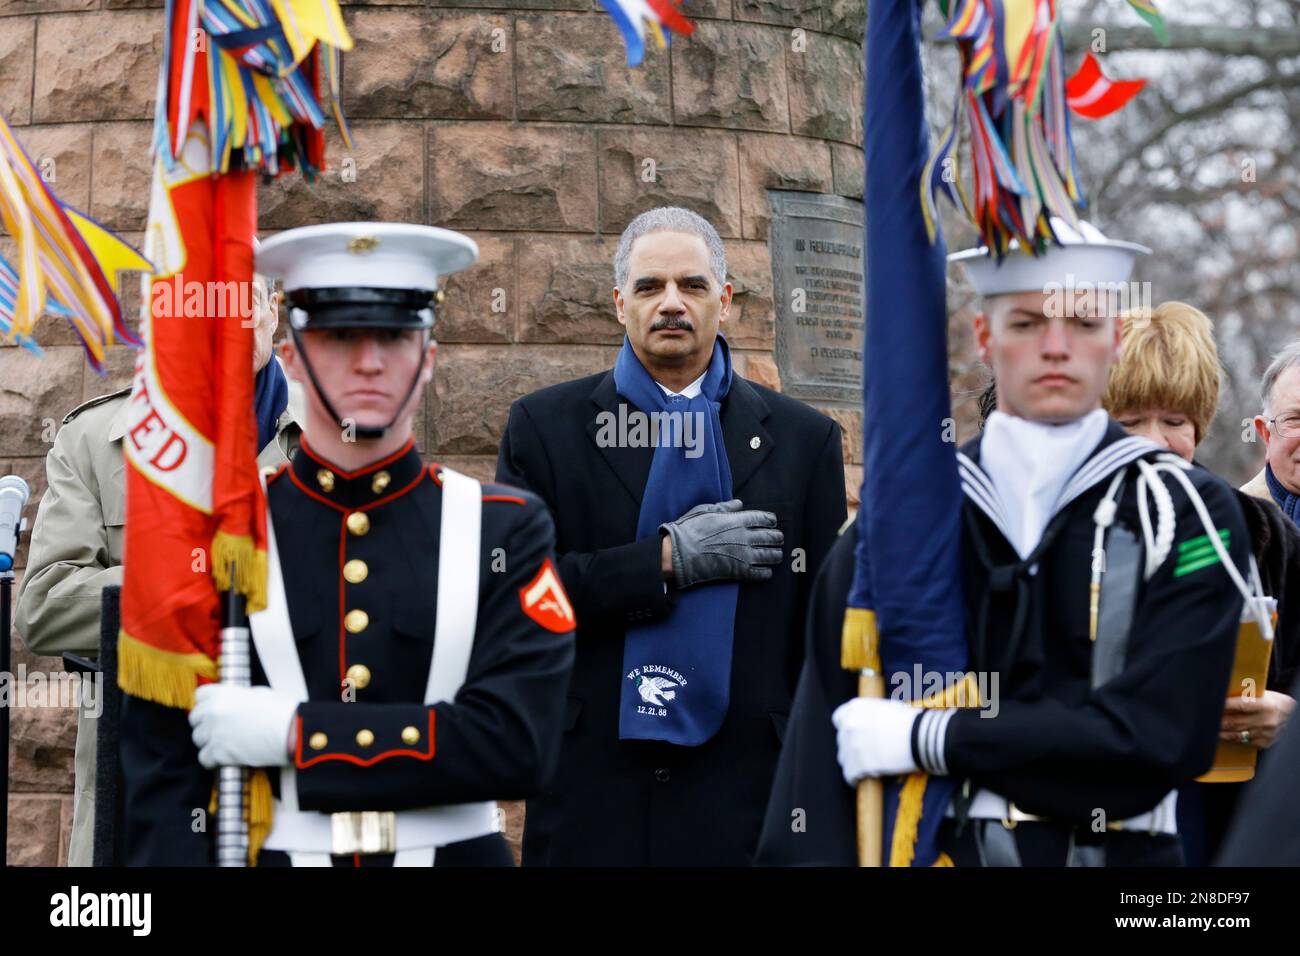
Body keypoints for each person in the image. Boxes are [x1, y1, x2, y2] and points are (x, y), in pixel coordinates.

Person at [758, 221, 1253, 866]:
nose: (1055, 348)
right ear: (984, 338)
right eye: (1025, 323)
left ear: (1112, 341)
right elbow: (818, 763)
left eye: (1081, 323)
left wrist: (931, 737)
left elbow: (1158, 736)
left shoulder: (1186, 513)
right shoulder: (907, 522)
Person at [119, 222, 575, 866]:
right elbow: (165, 783)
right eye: (337, 337)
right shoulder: (217, 535)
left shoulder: (503, 527)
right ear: (291, 358)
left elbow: (521, 744)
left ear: (429, 360)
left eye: (393, 335)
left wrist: (294, 733)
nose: (368, 361)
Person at [497, 206, 847, 866]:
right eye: (651, 286)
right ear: (618, 302)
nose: (672, 303)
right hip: (593, 790)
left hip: (750, 796)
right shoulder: (545, 427)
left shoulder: (806, 442)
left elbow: (818, 639)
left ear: (726, 300)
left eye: (692, 285)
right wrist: (660, 562)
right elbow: (520, 602)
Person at [15, 273, 298, 867]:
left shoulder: (340, 439)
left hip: (294, 785)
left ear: (272, 312)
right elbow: (42, 607)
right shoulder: (94, 439)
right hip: (139, 781)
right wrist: (187, 575)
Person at [1100, 301, 1299, 864]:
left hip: (1218, 836)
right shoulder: (1048, 535)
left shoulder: (1264, 534)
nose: (1154, 444)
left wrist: (1287, 719)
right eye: (1129, 422)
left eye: (1175, 422)